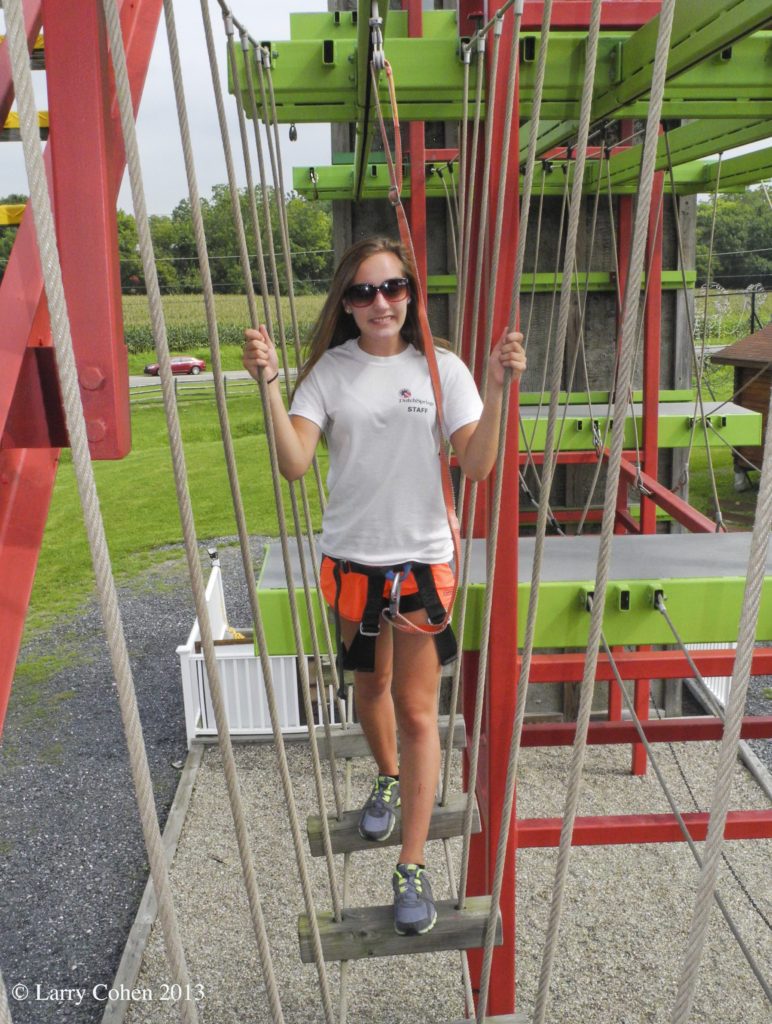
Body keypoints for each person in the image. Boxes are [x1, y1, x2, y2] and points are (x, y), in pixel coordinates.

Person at [243, 236, 525, 936]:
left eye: (394, 287)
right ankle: (389, 777)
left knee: (419, 711)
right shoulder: (329, 373)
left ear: (411, 294)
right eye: (364, 292)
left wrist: (495, 389)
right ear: (346, 302)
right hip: (353, 563)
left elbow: (477, 465)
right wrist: (270, 384)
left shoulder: (442, 369)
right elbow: (294, 463)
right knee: (369, 688)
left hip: (421, 563)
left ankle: (412, 863)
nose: (381, 303)